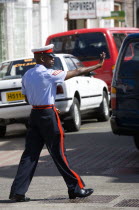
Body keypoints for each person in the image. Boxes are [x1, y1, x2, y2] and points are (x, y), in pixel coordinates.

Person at [9, 44, 105, 202]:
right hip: (48, 116)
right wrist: (98, 65)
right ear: (41, 58)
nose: (53, 59)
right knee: (59, 153)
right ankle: (76, 188)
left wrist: (44, 104)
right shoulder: (49, 74)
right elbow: (77, 71)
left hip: (35, 115)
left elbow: (27, 98)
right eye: (49, 57)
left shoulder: (27, 75)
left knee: (29, 155)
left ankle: (17, 192)